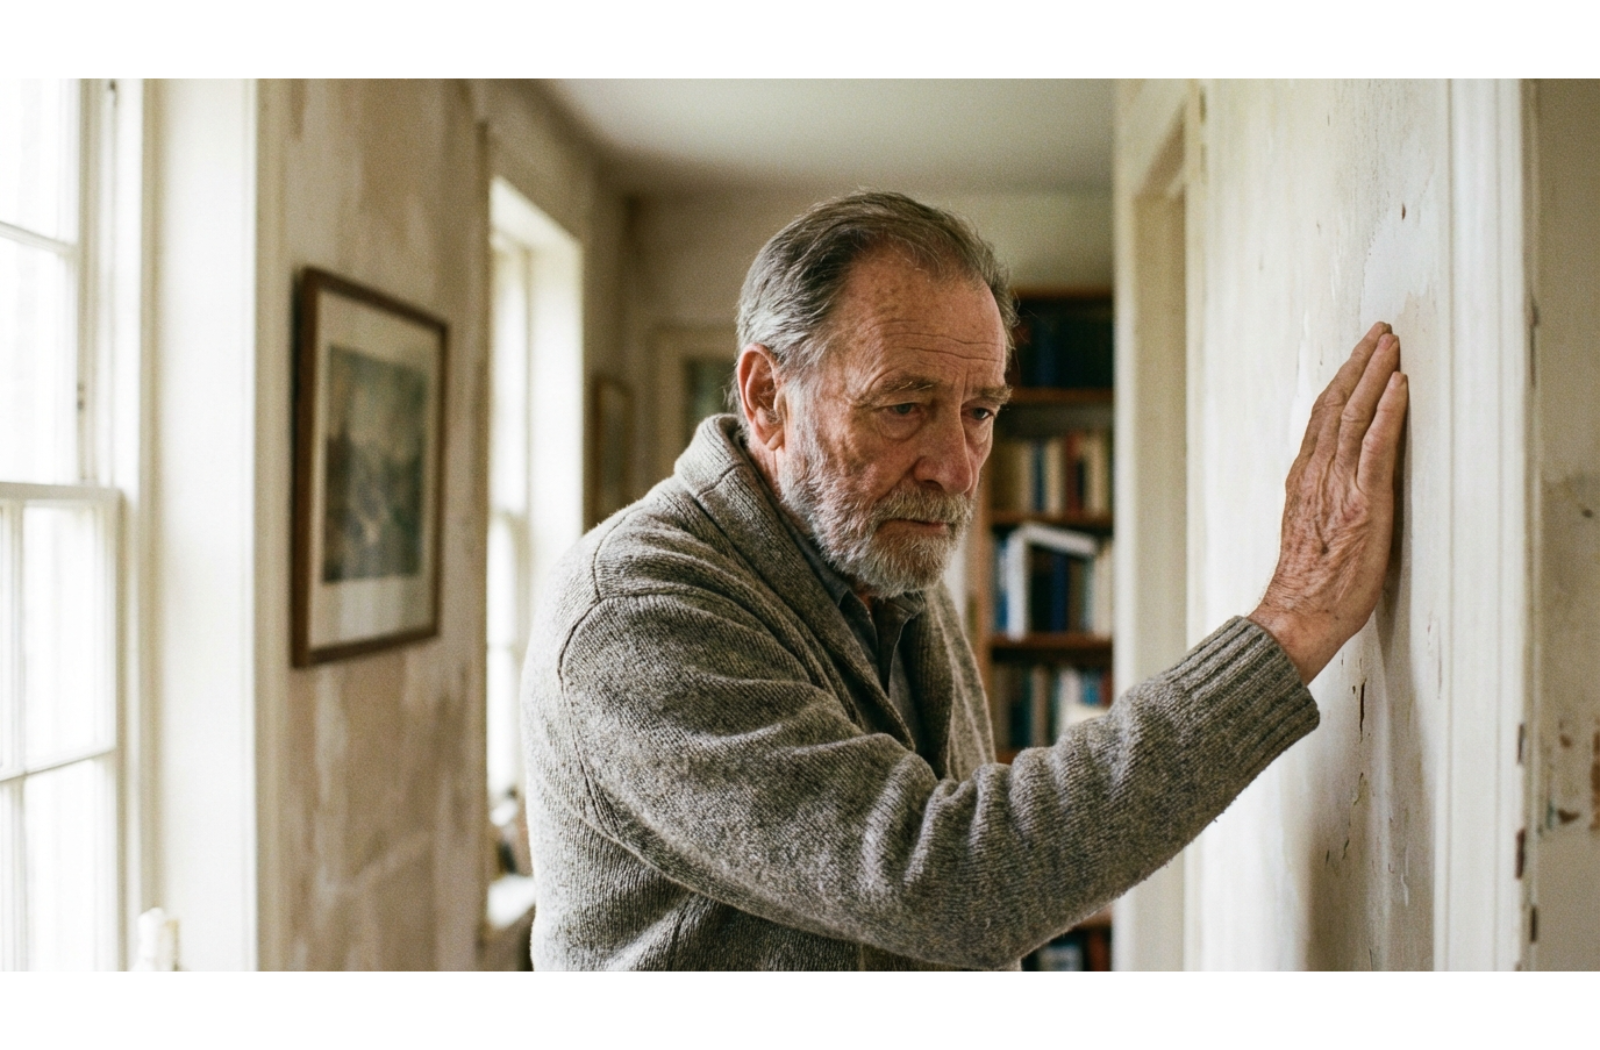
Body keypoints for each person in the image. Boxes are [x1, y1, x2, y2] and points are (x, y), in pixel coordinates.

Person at [521, 191, 1408, 970]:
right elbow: (950, 881)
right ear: (765, 398)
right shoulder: (632, 614)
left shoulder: (873, 554)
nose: (954, 465)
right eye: (903, 406)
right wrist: (1288, 626)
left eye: (979, 411)